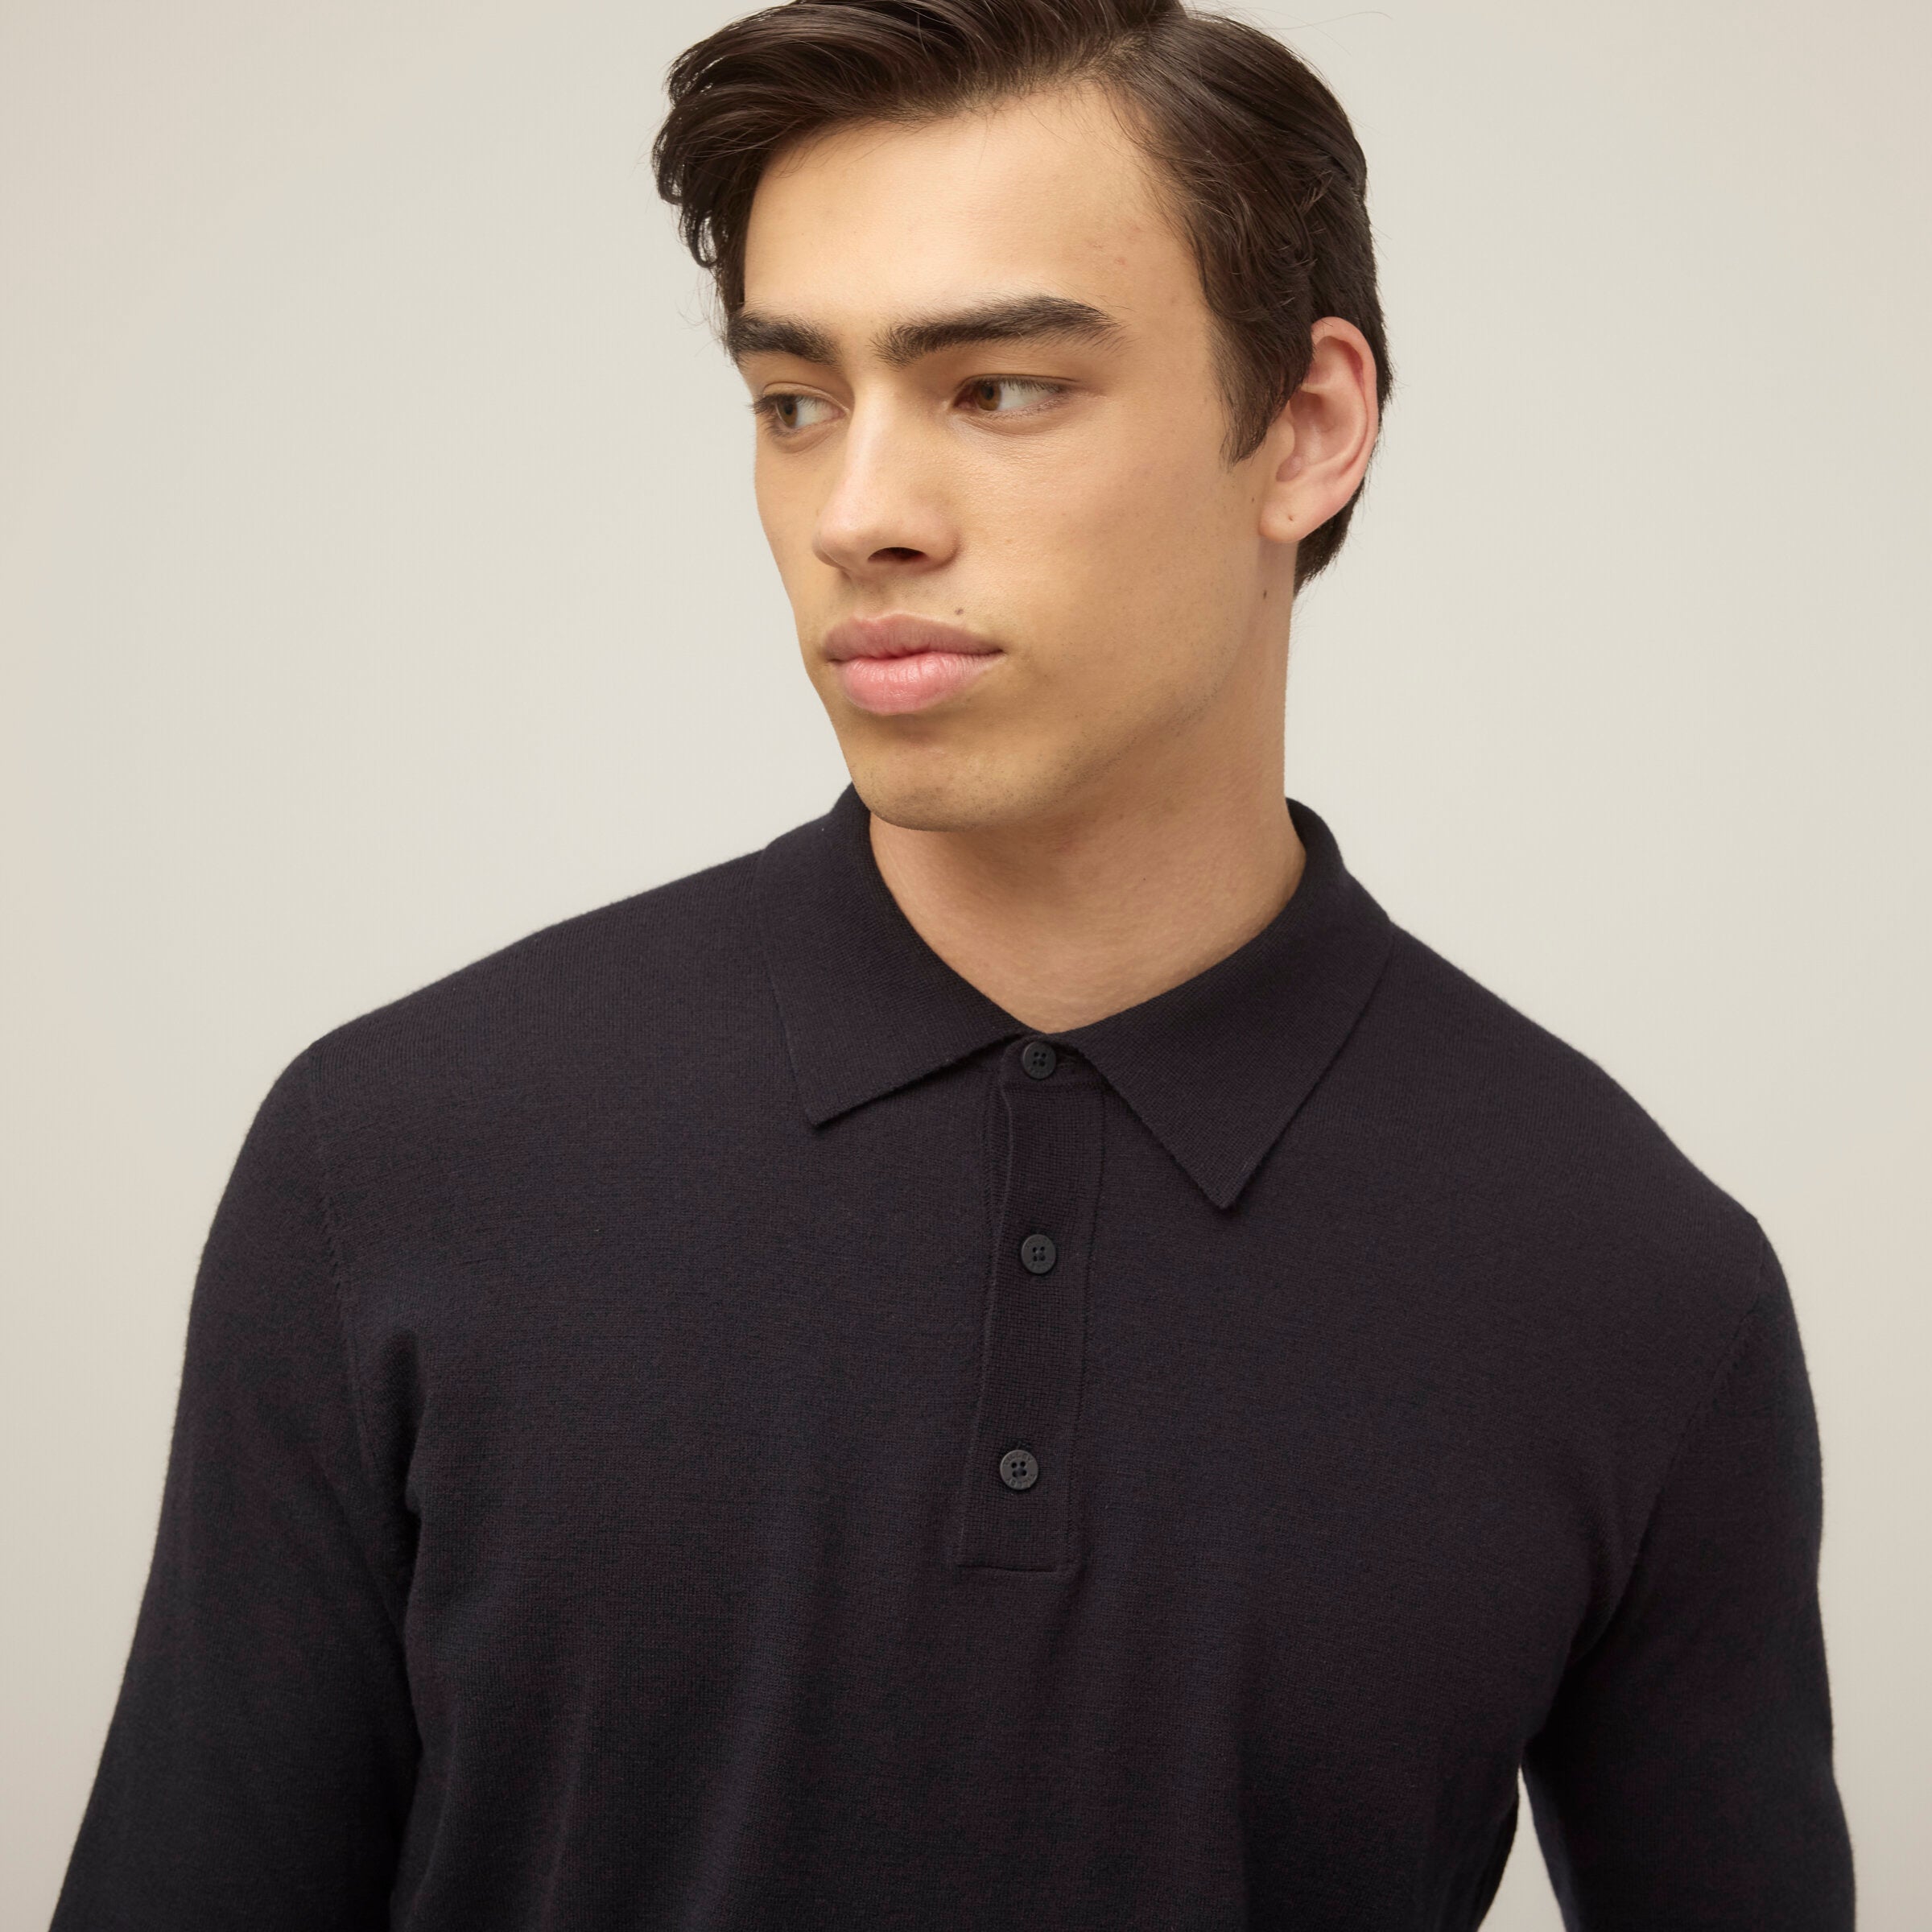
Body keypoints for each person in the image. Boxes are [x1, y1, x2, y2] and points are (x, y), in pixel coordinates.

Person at [51, 2, 1854, 1926]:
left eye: (997, 388)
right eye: (795, 401)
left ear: (1309, 427)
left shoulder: (1636, 1281)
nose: (858, 517)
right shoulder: (393, 1162)